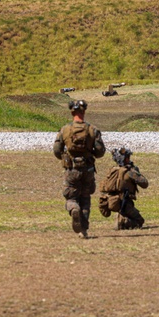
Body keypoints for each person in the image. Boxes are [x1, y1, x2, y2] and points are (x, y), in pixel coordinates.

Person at [52, 100, 106, 239]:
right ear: (84, 112)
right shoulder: (92, 130)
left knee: (71, 196)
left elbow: (57, 151)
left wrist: (67, 157)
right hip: (88, 169)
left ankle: (73, 208)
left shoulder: (65, 130)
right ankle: (83, 230)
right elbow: (100, 152)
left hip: (72, 169)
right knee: (85, 199)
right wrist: (89, 155)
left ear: (72, 112)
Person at [100, 148, 149, 230]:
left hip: (112, 201)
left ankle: (121, 217)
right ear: (126, 159)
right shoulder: (129, 172)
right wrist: (136, 172)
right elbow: (145, 183)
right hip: (125, 203)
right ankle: (123, 221)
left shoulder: (112, 171)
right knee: (139, 221)